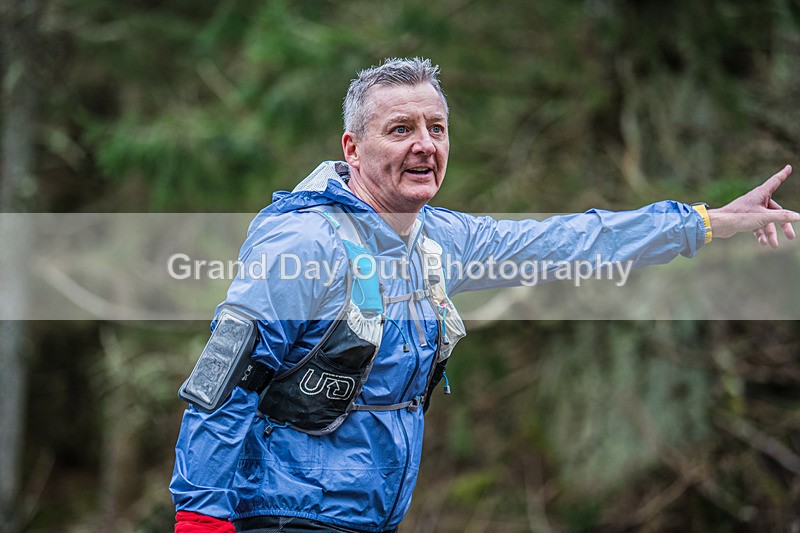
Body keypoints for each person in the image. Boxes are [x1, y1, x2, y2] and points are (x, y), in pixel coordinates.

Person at [170, 57, 798, 533]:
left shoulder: (441, 239)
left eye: (436, 127)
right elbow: (225, 381)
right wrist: (201, 520)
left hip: (371, 517)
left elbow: (576, 241)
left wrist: (709, 222)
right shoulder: (304, 241)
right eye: (400, 129)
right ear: (352, 149)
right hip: (282, 515)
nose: (425, 144)